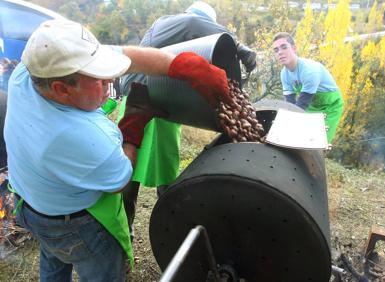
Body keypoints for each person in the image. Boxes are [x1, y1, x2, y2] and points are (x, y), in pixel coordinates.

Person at [4, 19, 231, 282]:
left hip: (29, 202)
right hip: (72, 227)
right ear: (61, 89)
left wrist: (181, 65)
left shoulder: (26, 74)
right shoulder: (77, 136)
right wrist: (132, 128)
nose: (111, 79)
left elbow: (129, 56)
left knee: (53, 259)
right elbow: (120, 179)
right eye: (99, 80)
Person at [118, 0, 257, 233]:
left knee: (165, 164)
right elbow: (195, 22)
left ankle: (173, 220)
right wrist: (239, 46)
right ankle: (125, 227)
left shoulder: (184, 40)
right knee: (129, 166)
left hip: (165, 104)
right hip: (138, 99)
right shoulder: (172, 22)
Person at [272, 32, 344, 143]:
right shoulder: (284, 74)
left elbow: (301, 105)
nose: (280, 52)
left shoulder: (309, 70)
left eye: (284, 47)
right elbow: (290, 104)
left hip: (330, 106)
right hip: (311, 105)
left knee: (319, 143)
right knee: (303, 140)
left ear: (294, 48)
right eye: (276, 50)